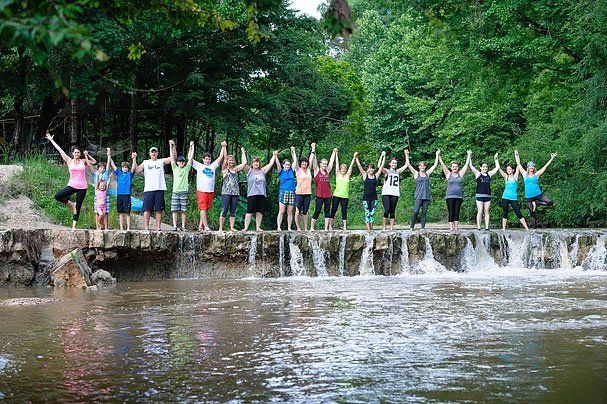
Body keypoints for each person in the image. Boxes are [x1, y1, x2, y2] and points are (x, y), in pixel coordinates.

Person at [46, 132, 93, 230]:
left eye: (78, 153)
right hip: (72, 185)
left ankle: (73, 227)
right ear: (73, 154)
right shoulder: (69, 160)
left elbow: (94, 162)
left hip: (83, 187)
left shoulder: (83, 161)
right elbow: (60, 150)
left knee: (78, 207)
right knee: (58, 196)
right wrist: (51, 140)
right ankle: (72, 204)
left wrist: (87, 155)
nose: (76, 154)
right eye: (75, 153)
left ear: (80, 154)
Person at [515, 150, 557, 229]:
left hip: (538, 195)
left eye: (532, 167)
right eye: (530, 167)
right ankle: (534, 231)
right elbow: (518, 164)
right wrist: (516, 155)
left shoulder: (536, 175)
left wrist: (552, 158)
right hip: (529, 197)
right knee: (532, 214)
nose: (531, 168)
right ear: (528, 168)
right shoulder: (524, 174)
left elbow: (545, 167)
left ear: (534, 168)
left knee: (550, 202)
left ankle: (537, 203)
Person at [134, 145, 172, 231]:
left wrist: (171, 146)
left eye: (155, 151)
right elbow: (137, 170)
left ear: (157, 153)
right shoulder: (145, 162)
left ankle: (158, 227)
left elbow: (172, 158)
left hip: (159, 188)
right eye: (152, 152)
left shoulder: (161, 161)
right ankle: (146, 227)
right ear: (149, 153)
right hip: (149, 189)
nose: (154, 153)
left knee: (159, 209)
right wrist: (134, 159)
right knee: (147, 209)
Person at [192, 141, 227, 231]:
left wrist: (223, 146)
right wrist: (191, 147)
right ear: (203, 159)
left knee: (205, 209)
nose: (207, 160)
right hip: (201, 190)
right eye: (206, 159)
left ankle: (201, 226)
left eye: (209, 159)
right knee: (203, 208)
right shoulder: (199, 166)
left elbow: (220, 157)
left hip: (210, 191)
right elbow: (190, 159)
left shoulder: (212, 166)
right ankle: (206, 226)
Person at [242, 150, 277, 231]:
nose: (256, 164)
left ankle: (258, 227)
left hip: (261, 194)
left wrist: (274, 155)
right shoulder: (249, 171)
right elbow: (243, 164)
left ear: (259, 163)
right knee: (249, 211)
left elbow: (270, 164)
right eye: (254, 162)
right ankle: (246, 227)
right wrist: (243, 152)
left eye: (257, 162)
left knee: (259, 211)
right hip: (251, 194)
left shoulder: (263, 171)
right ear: (252, 164)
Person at [404, 149, 440, 230]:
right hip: (418, 196)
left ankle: (423, 228)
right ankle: (411, 227)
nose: (422, 167)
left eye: (423, 166)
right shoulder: (416, 174)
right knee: (416, 211)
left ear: (425, 166)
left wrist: (437, 155)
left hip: (426, 196)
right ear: (419, 167)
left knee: (424, 212)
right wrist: (406, 154)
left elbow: (435, 165)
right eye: (421, 166)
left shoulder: (427, 173)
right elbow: (408, 165)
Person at [439, 150, 471, 231]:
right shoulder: (448, 174)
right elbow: (442, 165)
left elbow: (466, 165)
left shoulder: (460, 174)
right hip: (449, 196)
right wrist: (438, 156)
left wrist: (468, 155)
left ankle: (456, 227)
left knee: (457, 212)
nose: (454, 168)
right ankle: (451, 227)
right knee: (451, 212)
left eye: (456, 166)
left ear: (458, 167)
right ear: (451, 167)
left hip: (459, 196)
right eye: (453, 167)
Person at [468, 152, 500, 230]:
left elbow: (497, 168)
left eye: (486, 167)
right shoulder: (478, 174)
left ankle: (486, 227)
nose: (485, 168)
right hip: (479, 195)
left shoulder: (489, 174)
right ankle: (478, 227)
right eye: (483, 167)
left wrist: (495, 159)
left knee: (486, 211)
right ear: (481, 167)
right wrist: (469, 155)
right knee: (480, 210)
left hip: (488, 195)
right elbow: (471, 165)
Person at [108, 148, 137, 230]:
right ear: (121, 168)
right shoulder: (119, 173)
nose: (124, 168)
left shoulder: (129, 174)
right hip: (119, 195)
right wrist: (109, 155)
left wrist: (134, 158)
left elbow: (134, 168)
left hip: (127, 195)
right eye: (123, 167)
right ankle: (121, 227)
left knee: (127, 212)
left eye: (126, 167)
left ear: (128, 168)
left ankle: (128, 228)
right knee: (120, 212)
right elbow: (113, 165)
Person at [355, 151, 385, 231]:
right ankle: (369, 230)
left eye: (372, 168)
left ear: (374, 169)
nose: (371, 169)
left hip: (374, 198)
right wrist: (356, 157)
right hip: (366, 198)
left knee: (372, 214)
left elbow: (381, 166)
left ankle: (371, 229)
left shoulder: (376, 176)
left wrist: (383, 156)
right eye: (370, 168)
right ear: (368, 169)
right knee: (367, 213)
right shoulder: (365, 175)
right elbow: (359, 166)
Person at [328, 150, 357, 231]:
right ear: (340, 169)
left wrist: (354, 157)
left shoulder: (347, 175)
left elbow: (351, 166)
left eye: (344, 169)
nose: (343, 170)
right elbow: (337, 164)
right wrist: (336, 154)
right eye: (342, 169)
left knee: (344, 210)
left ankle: (344, 226)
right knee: (333, 209)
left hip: (345, 196)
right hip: (337, 195)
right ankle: (330, 225)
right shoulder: (338, 175)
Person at [219, 147, 247, 232]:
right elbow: (224, 159)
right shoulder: (224, 168)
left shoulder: (236, 169)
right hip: (226, 192)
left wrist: (243, 152)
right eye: (229, 160)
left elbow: (245, 163)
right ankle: (220, 228)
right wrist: (224, 147)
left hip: (235, 193)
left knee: (233, 211)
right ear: (227, 161)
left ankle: (231, 227)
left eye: (232, 160)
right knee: (224, 210)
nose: (231, 161)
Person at [169, 140, 195, 231]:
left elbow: (191, 158)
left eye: (183, 161)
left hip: (184, 192)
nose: (181, 163)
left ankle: (183, 226)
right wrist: (171, 146)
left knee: (184, 210)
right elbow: (172, 157)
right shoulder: (175, 168)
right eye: (180, 161)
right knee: (174, 210)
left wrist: (192, 147)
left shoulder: (186, 168)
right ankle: (175, 226)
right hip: (175, 192)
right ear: (177, 162)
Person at [497, 159, 529, 231]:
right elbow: (499, 169)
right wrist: (496, 159)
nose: (508, 170)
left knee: (518, 212)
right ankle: (504, 229)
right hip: (505, 197)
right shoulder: (506, 177)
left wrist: (517, 156)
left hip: (513, 198)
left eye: (510, 169)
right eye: (507, 169)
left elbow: (518, 165)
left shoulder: (515, 177)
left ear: (513, 170)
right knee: (505, 212)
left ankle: (527, 228)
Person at [310, 147, 337, 231]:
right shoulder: (316, 171)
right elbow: (314, 161)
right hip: (319, 194)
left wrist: (334, 152)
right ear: (320, 164)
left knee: (327, 211)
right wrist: (313, 149)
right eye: (323, 164)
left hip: (328, 195)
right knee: (317, 210)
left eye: (326, 164)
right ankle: (312, 227)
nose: (325, 165)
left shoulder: (327, 171)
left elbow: (332, 162)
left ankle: (326, 228)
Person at [379, 153, 408, 230]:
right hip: (386, 193)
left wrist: (406, 154)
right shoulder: (387, 171)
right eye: (393, 163)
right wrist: (382, 156)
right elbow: (379, 166)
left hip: (395, 193)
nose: (394, 164)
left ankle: (391, 227)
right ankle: (384, 227)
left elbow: (406, 165)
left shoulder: (397, 172)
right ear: (390, 164)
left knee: (392, 211)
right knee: (387, 210)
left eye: (395, 163)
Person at [291, 145, 314, 231]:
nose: (304, 164)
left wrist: (313, 148)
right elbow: (295, 161)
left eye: (305, 162)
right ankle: (298, 227)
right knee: (297, 211)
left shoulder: (308, 170)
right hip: (299, 193)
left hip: (307, 193)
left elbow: (311, 158)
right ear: (301, 163)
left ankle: (305, 228)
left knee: (306, 212)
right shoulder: (298, 170)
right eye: (303, 162)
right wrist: (293, 152)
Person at [275, 150, 297, 230]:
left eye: (288, 165)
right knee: (281, 211)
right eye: (286, 165)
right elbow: (277, 164)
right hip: (283, 192)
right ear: (283, 165)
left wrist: (293, 152)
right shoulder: (281, 171)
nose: (287, 166)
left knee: (290, 212)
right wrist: (275, 156)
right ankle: (279, 227)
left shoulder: (291, 170)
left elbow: (295, 160)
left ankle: (289, 227)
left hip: (292, 192)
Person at [92, 150, 112, 229]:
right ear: (98, 168)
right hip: (97, 196)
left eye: (103, 168)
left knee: (106, 212)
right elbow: (96, 184)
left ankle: (106, 227)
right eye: (101, 167)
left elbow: (108, 164)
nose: (102, 169)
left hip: (105, 195)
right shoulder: (96, 174)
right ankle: (98, 226)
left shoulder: (106, 174)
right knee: (97, 212)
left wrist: (109, 155)